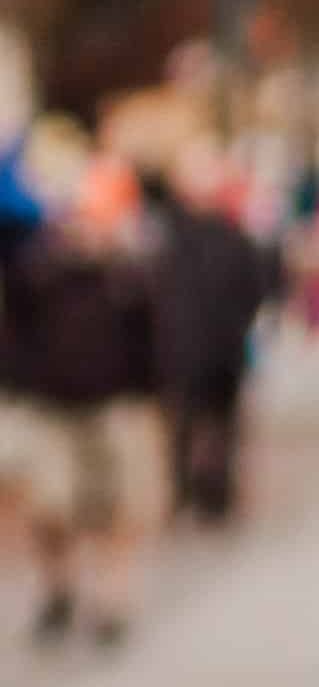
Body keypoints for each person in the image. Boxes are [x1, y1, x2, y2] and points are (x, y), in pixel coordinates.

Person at [2, 136, 160, 645]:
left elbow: (152, 336)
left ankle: (111, 597)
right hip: (49, 404)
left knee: (115, 507)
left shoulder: (129, 271)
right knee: (51, 506)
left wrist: (153, 395)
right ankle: (59, 589)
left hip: (114, 403)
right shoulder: (32, 266)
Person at [145, 152, 277, 521]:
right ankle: (199, 493)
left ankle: (201, 493)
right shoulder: (179, 238)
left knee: (200, 423)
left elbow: (254, 290)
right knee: (199, 423)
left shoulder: (179, 237)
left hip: (202, 347)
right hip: (197, 347)